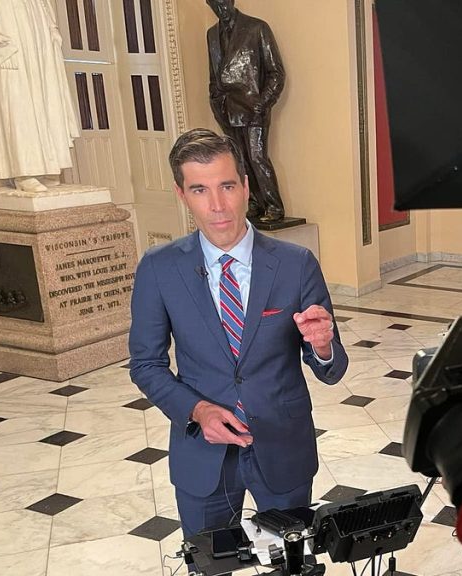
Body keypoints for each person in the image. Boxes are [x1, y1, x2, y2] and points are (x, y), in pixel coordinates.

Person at [129, 129, 348, 537]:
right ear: (182, 195)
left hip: (283, 448)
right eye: (199, 190)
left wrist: (323, 347)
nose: (217, 205)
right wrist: (198, 411)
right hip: (201, 453)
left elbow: (332, 369)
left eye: (227, 186)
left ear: (246, 187)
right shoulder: (159, 269)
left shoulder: (295, 264)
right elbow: (146, 364)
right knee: (209, 561)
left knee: (288, 560)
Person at [0, 0, 80, 193]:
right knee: (14, 99)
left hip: (35, 30)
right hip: (5, 29)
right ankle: (22, 170)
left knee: (42, 97)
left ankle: (44, 166)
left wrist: (51, 28)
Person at [206, 0, 286, 223]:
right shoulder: (212, 34)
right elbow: (214, 75)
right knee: (239, 161)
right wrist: (216, 101)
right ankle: (253, 204)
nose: (220, 9)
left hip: (254, 108)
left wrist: (263, 102)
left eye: (223, 3)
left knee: (257, 157)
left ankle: (274, 206)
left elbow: (276, 73)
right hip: (227, 109)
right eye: (214, 4)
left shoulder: (256, 28)